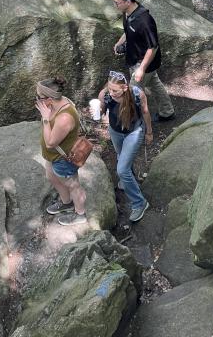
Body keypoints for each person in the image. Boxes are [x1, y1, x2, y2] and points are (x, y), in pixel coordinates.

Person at [112, 0, 175, 121]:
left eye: (117, 2)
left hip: (143, 64)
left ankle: (133, 122)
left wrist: (141, 69)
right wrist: (119, 42)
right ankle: (167, 112)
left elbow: (153, 47)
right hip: (135, 59)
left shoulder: (145, 21)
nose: (115, 5)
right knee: (155, 84)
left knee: (133, 93)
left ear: (128, 2)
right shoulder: (128, 13)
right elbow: (128, 30)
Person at [97, 71, 152, 222]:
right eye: (110, 89)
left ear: (125, 88)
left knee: (121, 170)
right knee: (122, 160)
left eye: (115, 90)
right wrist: (96, 111)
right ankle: (130, 178)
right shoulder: (105, 95)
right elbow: (102, 111)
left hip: (134, 132)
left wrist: (149, 132)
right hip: (115, 131)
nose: (112, 93)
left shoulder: (137, 94)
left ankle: (139, 203)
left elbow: (145, 112)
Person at [35, 76, 87, 226]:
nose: (37, 100)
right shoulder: (54, 103)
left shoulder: (64, 117)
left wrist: (45, 118)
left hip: (62, 158)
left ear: (49, 99)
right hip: (53, 157)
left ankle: (80, 214)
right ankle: (66, 203)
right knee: (51, 176)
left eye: (39, 97)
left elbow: (51, 142)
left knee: (73, 185)